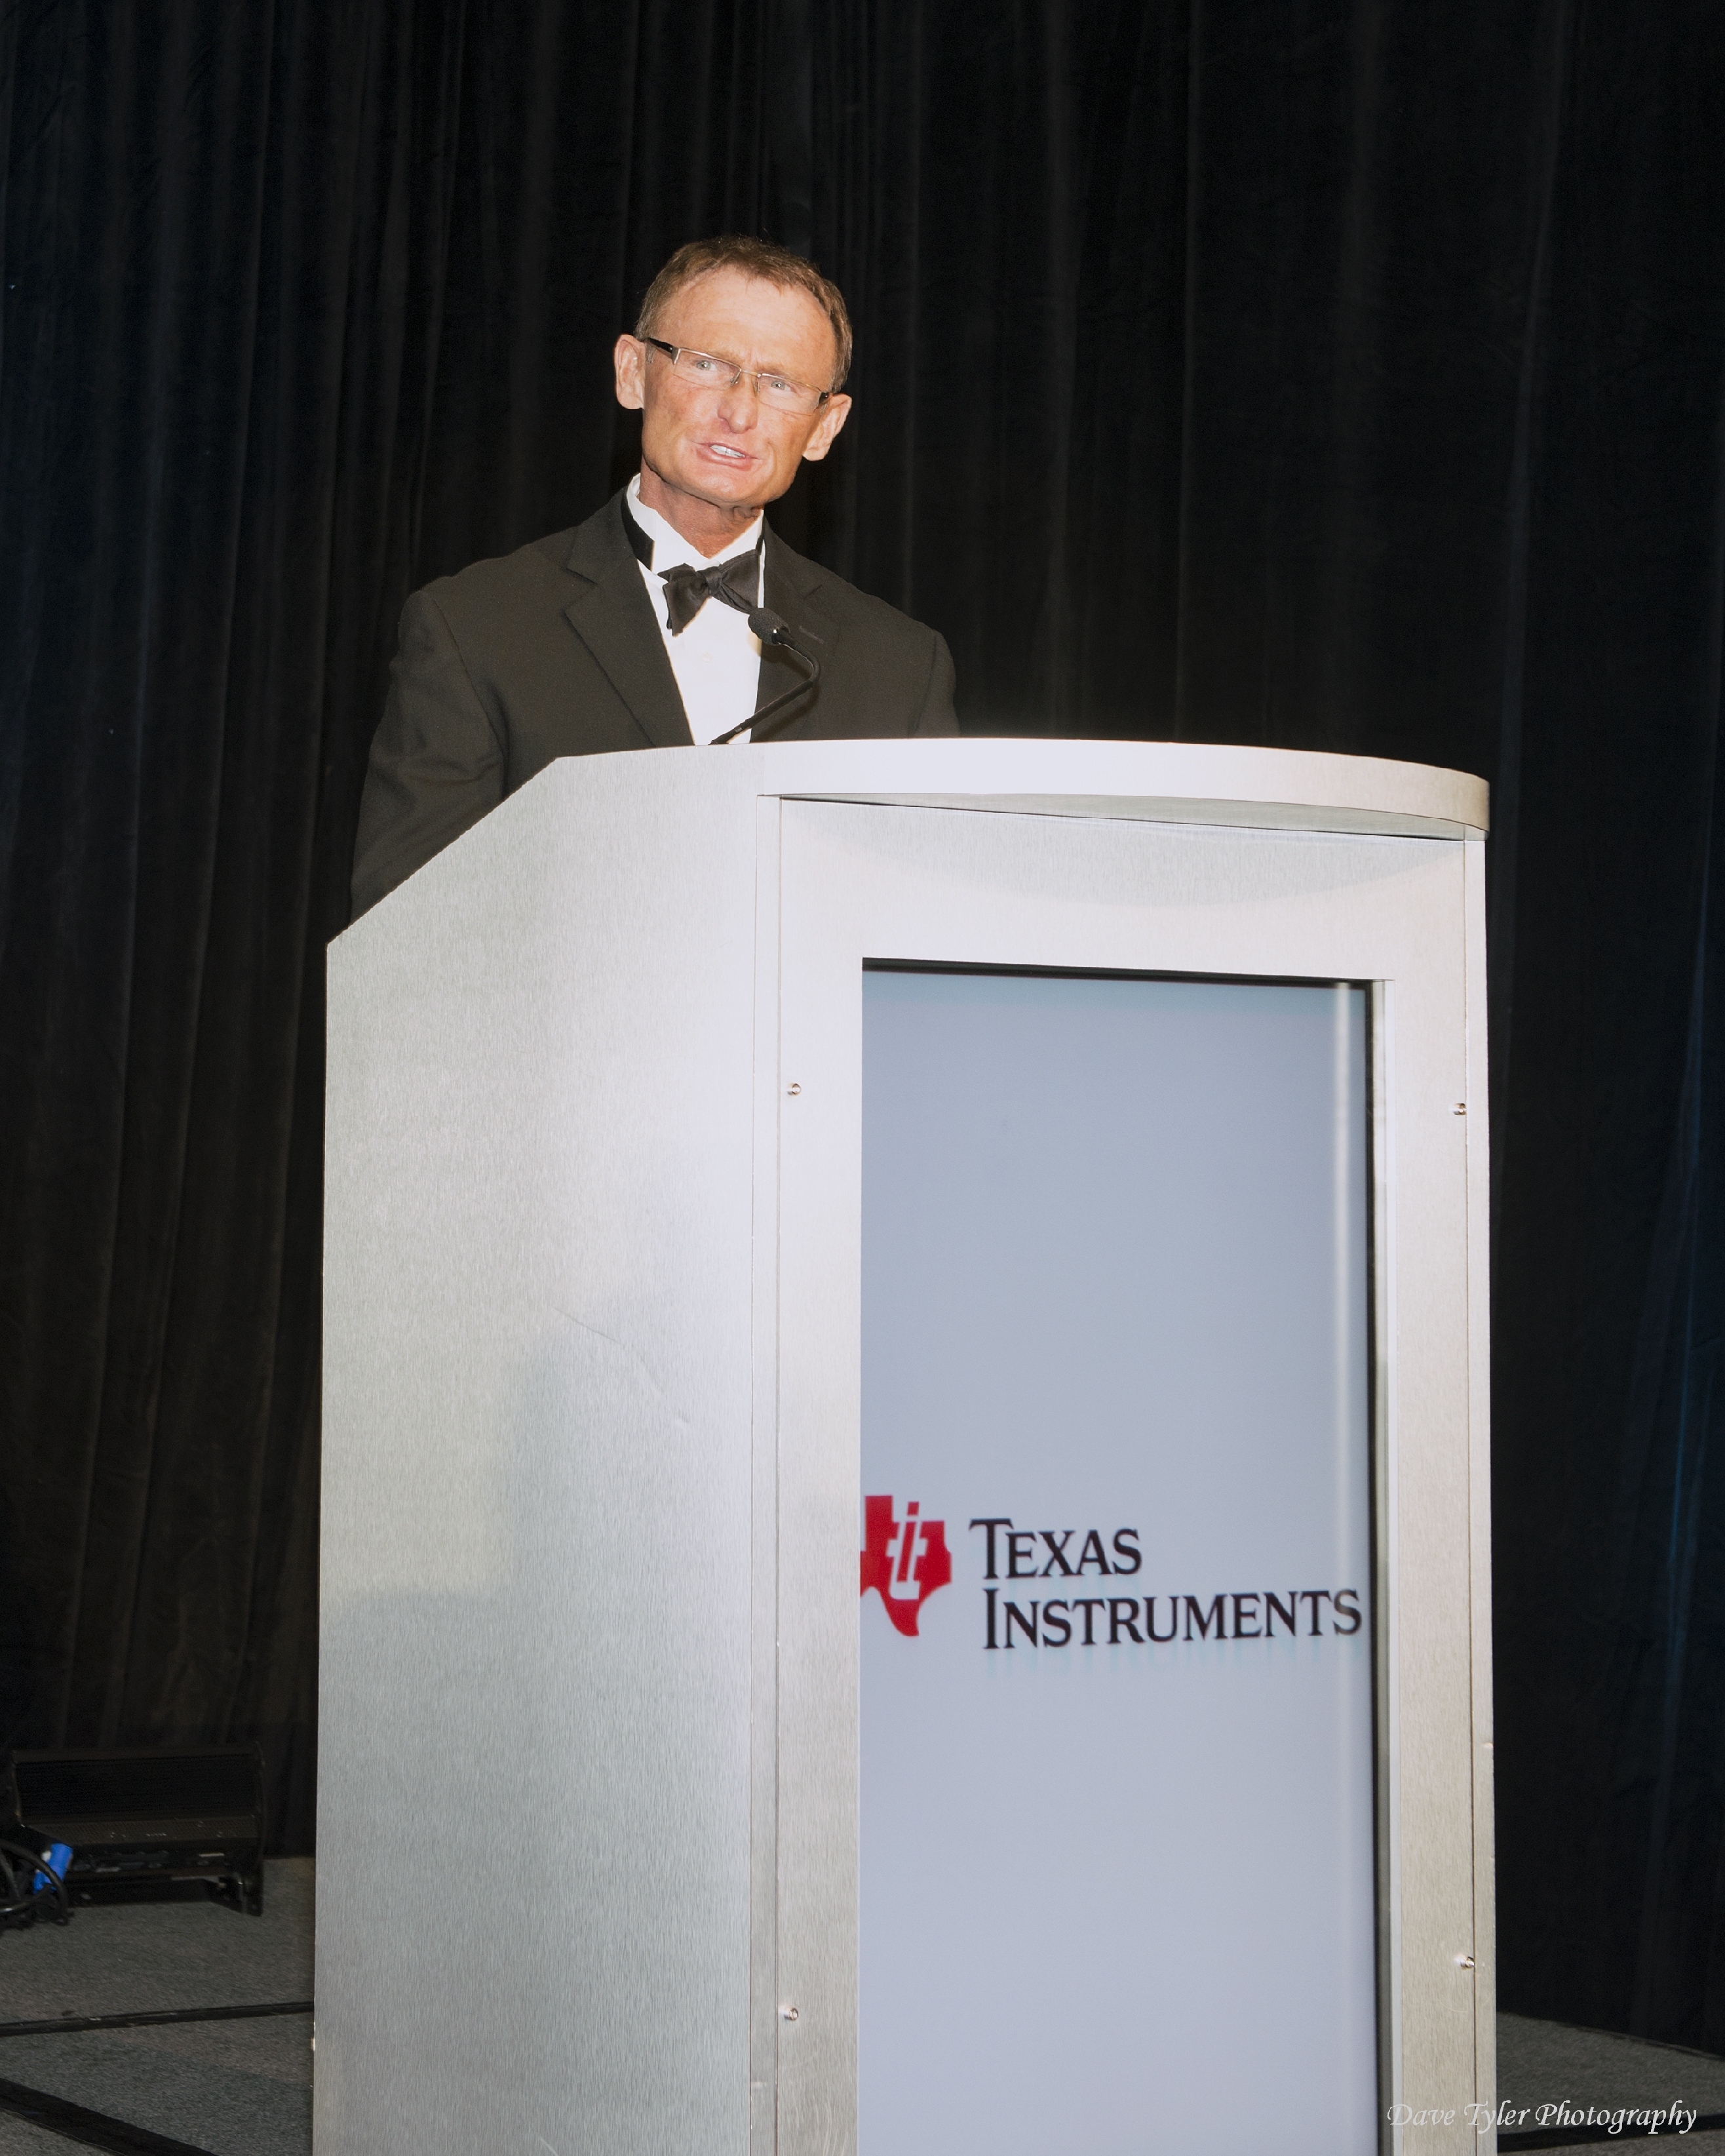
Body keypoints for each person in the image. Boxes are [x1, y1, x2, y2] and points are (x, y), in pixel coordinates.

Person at [350, 234, 958, 916]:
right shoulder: (475, 630)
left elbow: (929, 926)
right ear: (632, 372)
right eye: (708, 364)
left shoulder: (901, 667)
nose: (740, 411)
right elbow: (405, 930)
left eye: (780, 384)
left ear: (824, 427)